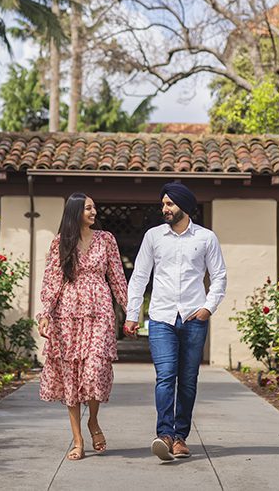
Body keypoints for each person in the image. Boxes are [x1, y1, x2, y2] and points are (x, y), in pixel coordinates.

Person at [124, 182, 227, 461]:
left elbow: (219, 276)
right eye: (163, 204)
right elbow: (140, 277)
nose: (165, 209)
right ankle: (165, 435)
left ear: (184, 205)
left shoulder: (206, 238)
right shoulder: (154, 237)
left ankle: (181, 437)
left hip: (195, 317)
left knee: (189, 380)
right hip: (161, 317)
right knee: (166, 377)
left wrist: (208, 308)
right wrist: (133, 314)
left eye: (169, 204)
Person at [39, 193, 129, 461]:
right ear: (75, 212)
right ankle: (78, 440)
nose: (93, 212)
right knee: (71, 377)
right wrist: (45, 314)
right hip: (67, 314)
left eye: (94, 208)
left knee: (95, 368)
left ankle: (93, 420)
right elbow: (52, 281)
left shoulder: (106, 239)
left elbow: (116, 277)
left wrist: (129, 310)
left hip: (100, 309)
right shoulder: (60, 243)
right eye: (88, 208)